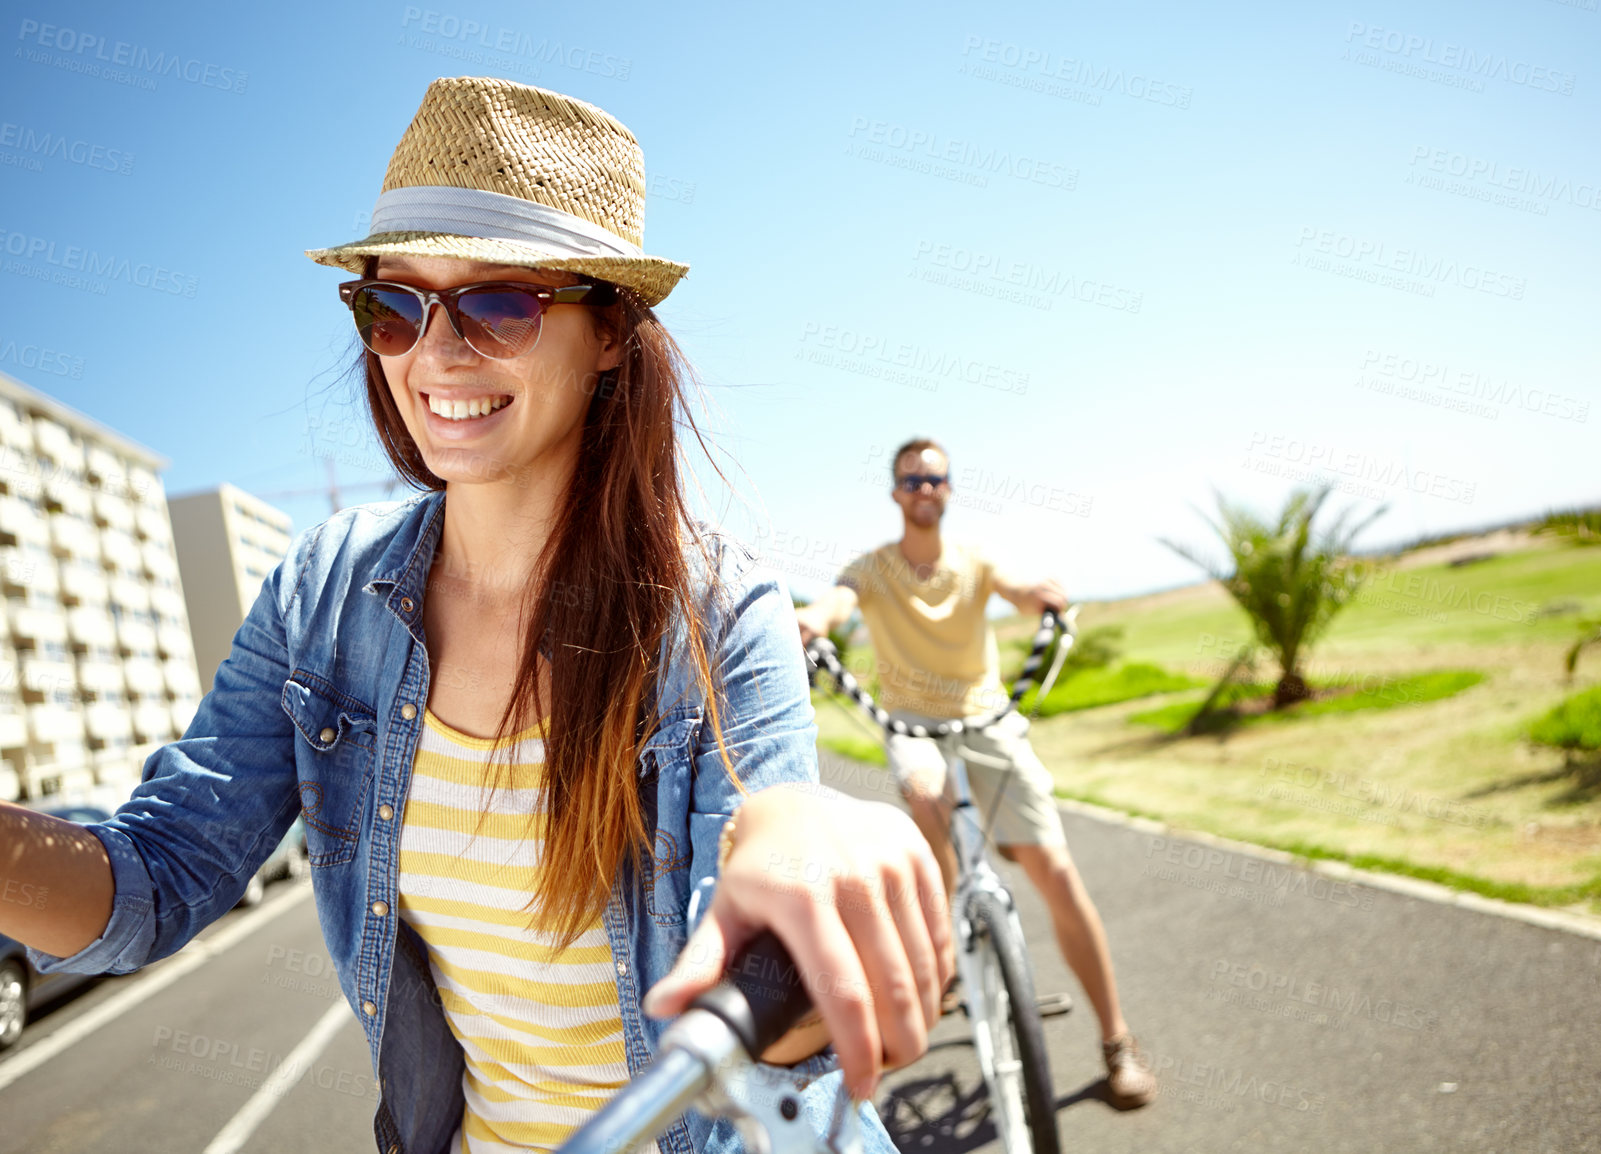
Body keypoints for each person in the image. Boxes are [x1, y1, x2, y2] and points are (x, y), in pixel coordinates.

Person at [0, 77, 951, 1154]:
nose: (437, 353)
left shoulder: (719, 613)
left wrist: (805, 855)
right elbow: (157, 881)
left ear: (609, 331)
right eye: (393, 305)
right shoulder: (319, 594)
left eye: (500, 302)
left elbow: (774, 999)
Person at [795, 437, 1158, 1110]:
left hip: (989, 722)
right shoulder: (872, 569)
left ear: (949, 489)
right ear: (896, 492)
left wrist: (1038, 597)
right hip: (915, 731)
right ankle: (949, 951)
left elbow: (1018, 590)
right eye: (911, 479)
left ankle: (1117, 1041)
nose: (924, 488)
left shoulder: (975, 563)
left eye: (935, 478)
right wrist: (810, 623)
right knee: (927, 799)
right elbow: (836, 604)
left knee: (1055, 871)